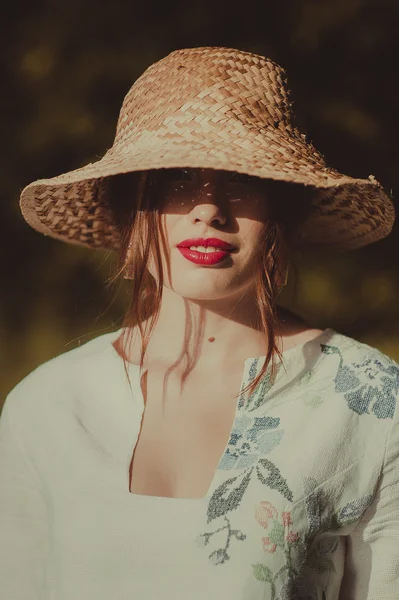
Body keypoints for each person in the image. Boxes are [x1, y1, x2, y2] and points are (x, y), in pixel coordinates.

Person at [1, 46, 398, 600]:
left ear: (285, 213)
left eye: (242, 180)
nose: (208, 208)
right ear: (130, 212)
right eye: (176, 179)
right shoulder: (47, 405)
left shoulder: (369, 400)